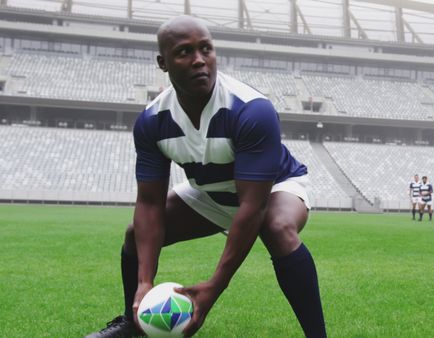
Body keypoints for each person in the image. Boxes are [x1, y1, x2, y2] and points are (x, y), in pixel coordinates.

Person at [85, 16, 326, 338]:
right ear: (163, 63)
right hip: (209, 193)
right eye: (184, 52)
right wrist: (145, 281)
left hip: (273, 189)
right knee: (135, 236)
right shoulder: (152, 122)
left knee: (277, 227)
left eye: (206, 49)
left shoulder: (251, 109)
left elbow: (252, 208)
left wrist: (213, 289)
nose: (199, 60)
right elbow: (149, 202)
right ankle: (134, 324)